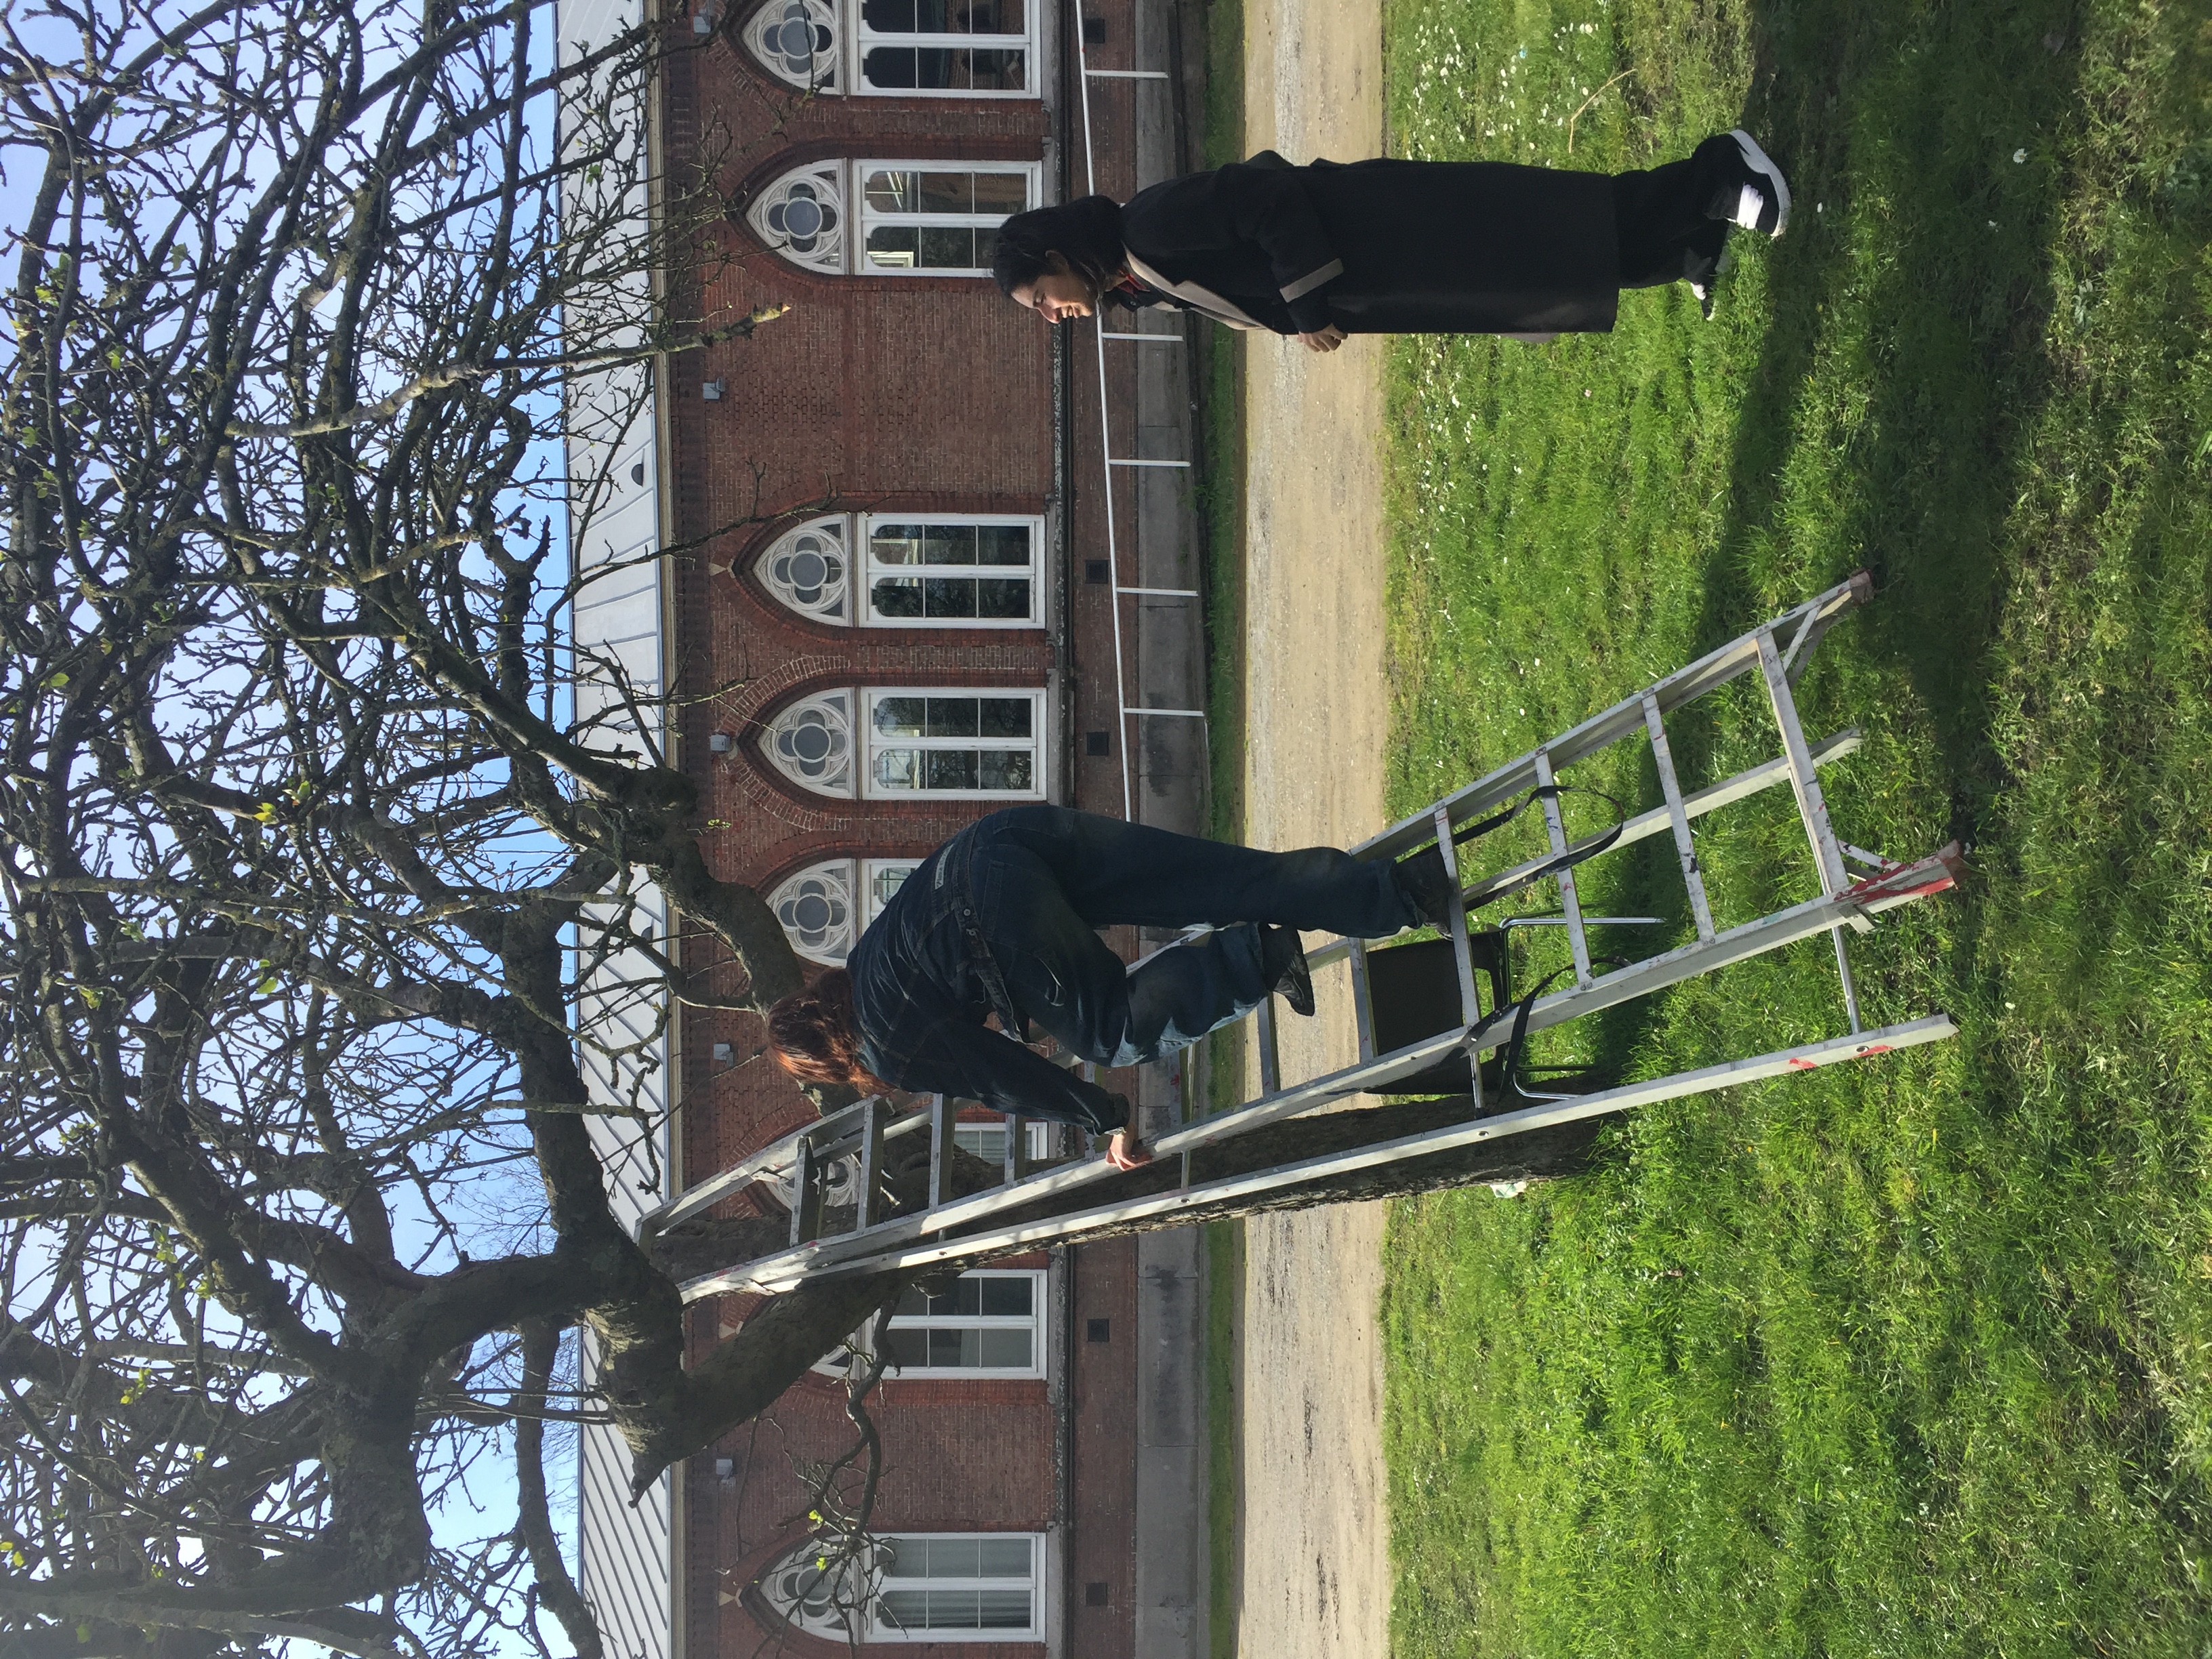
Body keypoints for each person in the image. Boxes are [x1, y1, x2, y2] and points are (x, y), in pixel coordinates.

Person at [765, 806, 1463, 1171]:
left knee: (1109, 1030)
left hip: (994, 918)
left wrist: (1103, 1117)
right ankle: (1400, 892)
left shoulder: (886, 1047)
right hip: (1002, 840)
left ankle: (1256, 956)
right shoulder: (865, 960)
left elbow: (999, 1078)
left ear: (831, 1060)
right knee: (1211, 878)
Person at [992, 129, 1791, 350]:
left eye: (1040, 299)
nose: (1051, 314)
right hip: (1397, 266)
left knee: (1554, 233)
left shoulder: (1147, 227)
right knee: (1553, 282)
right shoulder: (1137, 269)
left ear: (1057, 258)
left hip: (1396, 227)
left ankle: (1720, 173)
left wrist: (1307, 310)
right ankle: (1695, 241)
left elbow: (1266, 193)